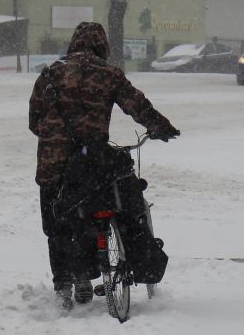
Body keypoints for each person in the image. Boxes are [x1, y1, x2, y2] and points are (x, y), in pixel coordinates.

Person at [29, 21, 179, 309]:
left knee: (57, 223)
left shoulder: (49, 75)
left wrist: (55, 140)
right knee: (89, 214)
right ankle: (87, 273)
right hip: (90, 162)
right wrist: (161, 127)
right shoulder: (108, 74)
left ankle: (64, 283)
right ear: (102, 46)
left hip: (53, 164)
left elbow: (35, 120)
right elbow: (137, 105)